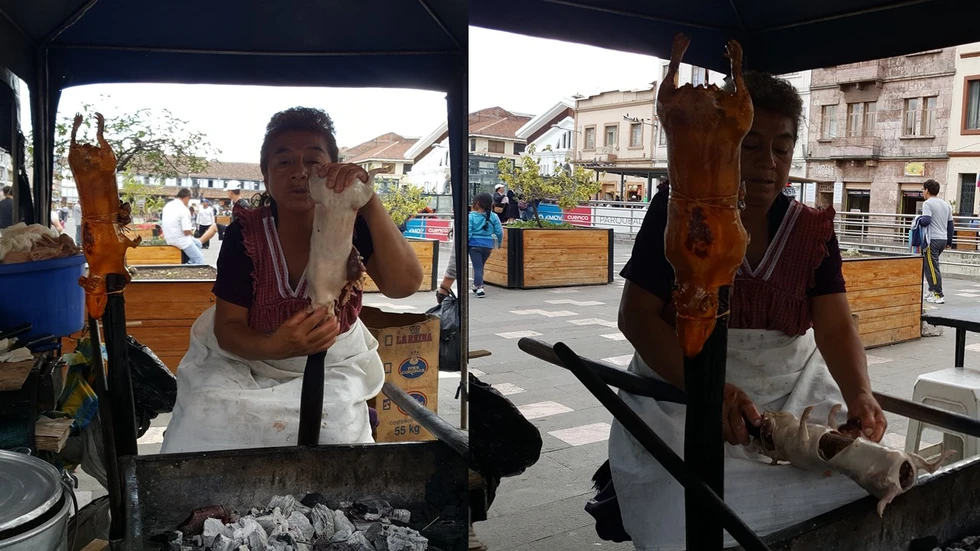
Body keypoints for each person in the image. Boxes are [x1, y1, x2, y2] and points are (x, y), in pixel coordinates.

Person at [606, 71, 887, 549]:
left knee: (856, 479)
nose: (767, 163)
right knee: (685, 507)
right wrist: (709, 391)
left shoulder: (810, 229)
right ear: (721, 144)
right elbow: (635, 317)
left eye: (782, 148)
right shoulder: (677, 208)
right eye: (750, 146)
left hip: (792, 389)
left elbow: (835, 326)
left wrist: (860, 393)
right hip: (680, 388)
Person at [160, 106, 424, 453]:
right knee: (206, 418)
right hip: (246, 357)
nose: (300, 172)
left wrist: (368, 199)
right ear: (266, 175)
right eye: (283, 162)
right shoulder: (246, 234)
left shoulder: (355, 223)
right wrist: (276, 346)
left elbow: (403, 285)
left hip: (334, 361)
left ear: (333, 168)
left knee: (333, 429)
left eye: (314, 161)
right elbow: (228, 328)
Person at [920, 179, 953, 304]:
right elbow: (950, 225)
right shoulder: (946, 204)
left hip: (932, 240)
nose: (923, 192)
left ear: (927, 190)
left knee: (933, 267)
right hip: (942, 239)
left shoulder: (928, 203)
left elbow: (926, 220)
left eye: (923, 189)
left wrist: (918, 219)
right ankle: (931, 290)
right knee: (928, 266)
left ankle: (939, 294)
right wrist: (949, 241)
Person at [161, 189, 216, 265]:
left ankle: (190, 261)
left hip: (169, 238)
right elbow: (186, 231)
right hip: (181, 240)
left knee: (198, 244)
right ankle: (188, 266)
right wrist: (192, 233)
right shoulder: (183, 209)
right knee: (200, 260)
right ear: (187, 198)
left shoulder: (168, 206)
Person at [468, 192, 503, 298]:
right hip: (488, 245)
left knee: (477, 267)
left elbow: (468, 231)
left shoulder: (471, 216)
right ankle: (476, 284)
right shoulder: (494, 216)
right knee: (480, 266)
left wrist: (466, 243)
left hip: (474, 245)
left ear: (477, 203)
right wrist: (499, 243)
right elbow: (499, 232)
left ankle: (479, 288)